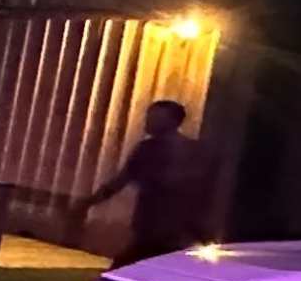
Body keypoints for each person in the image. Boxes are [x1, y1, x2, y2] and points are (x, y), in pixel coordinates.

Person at [85, 99, 215, 262]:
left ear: (173, 121)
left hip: (166, 229)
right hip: (156, 227)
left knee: (130, 268)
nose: (148, 121)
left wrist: (87, 203)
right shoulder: (149, 148)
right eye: (149, 116)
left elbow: (120, 181)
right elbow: (121, 181)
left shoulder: (157, 150)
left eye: (156, 117)